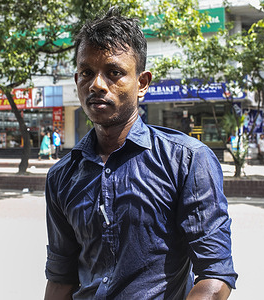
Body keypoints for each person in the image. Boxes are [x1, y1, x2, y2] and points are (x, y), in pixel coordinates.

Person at [44, 8, 237, 300]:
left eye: (114, 73)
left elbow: (215, 275)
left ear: (142, 83)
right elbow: (61, 278)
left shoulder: (186, 161)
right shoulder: (62, 176)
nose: (96, 84)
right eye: (87, 73)